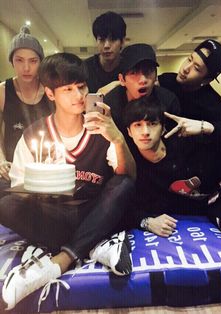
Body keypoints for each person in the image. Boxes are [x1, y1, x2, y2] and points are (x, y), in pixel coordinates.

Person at [0, 52, 136, 310]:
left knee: (124, 185)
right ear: (50, 94)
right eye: (68, 89)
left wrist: (117, 138)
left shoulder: (101, 128)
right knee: (4, 202)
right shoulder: (34, 135)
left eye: (82, 87)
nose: (79, 96)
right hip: (54, 215)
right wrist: (41, 181)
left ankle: (62, 259)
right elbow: (18, 190)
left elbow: (128, 173)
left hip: (93, 211)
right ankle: (93, 244)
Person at [124, 96, 221, 240]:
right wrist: (147, 222)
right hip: (212, 207)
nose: (145, 131)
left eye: (152, 124)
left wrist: (209, 128)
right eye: (137, 125)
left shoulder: (185, 142)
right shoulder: (133, 164)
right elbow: (123, 206)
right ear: (129, 132)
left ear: (163, 128)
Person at [0, 25, 53, 192]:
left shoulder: (50, 91)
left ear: (41, 62)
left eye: (33, 61)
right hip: (12, 169)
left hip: (47, 168)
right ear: (11, 61)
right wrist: (0, 160)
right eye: (19, 60)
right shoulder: (2, 91)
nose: (26, 68)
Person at [158, 39, 221, 141]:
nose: (186, 68)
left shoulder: (216, 106)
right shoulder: (167, 79)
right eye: (189, 59)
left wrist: (206, 127)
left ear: (207, 80)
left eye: (196, 68)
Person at [104, 43, 180, 136]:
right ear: (122, 80)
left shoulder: (168, 102)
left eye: (148, 71)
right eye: (134, 73)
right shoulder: (111, 106)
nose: (143, 80)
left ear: (156, 76)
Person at [84, 11, 126, 93]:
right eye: (101, 40)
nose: (106, 45)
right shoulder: (85, 69)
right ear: (96, 41)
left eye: (113, 39)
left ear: (122, 41)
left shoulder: (129, 67)